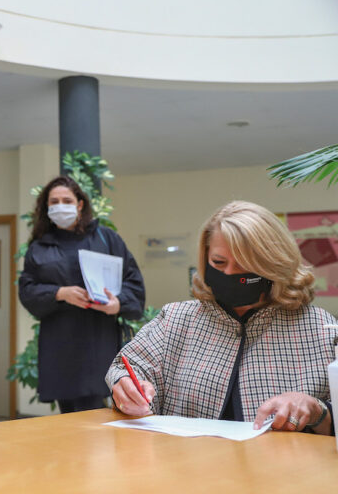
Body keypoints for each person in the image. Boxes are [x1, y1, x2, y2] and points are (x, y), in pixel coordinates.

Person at [107, 201, 336, 435]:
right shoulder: (176, 319)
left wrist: (318, 410)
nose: (229, 273)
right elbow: (128, 367)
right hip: (186, 457)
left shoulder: (320, 328)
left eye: (245, 264)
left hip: (283, 459)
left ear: (273, 263)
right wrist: (127, 388)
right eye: (219, 262)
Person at [19, 175, 145, 413]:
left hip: (98, 343)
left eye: (67, 200)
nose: (60, 206)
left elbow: (134, 285)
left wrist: (118, 303)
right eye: (54, 201)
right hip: (59, 347)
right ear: (46, 207)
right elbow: (27, 291)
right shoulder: (39, 246)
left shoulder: (106, 238)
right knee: (69, 417)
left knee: (98, 416)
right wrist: (59, 293)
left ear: (80, 204)